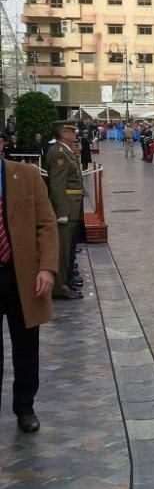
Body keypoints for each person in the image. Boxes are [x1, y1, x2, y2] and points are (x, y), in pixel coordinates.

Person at [0, 154, 59, 434]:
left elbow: (46, 224)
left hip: (21, 276)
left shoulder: (26, 175)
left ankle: (25, 407)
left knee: (26, 348)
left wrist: (47, 268)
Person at [45, 121, 84, 301]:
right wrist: (61, 212)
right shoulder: (58, 153)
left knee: (68, 248)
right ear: (63, 133)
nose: (75, 134)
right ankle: (60, 288)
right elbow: (57, 185)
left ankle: (66, 281)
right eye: (71, 131)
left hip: (72, 205)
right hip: (67, 207)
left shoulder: (65, 151)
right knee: (62, 249)